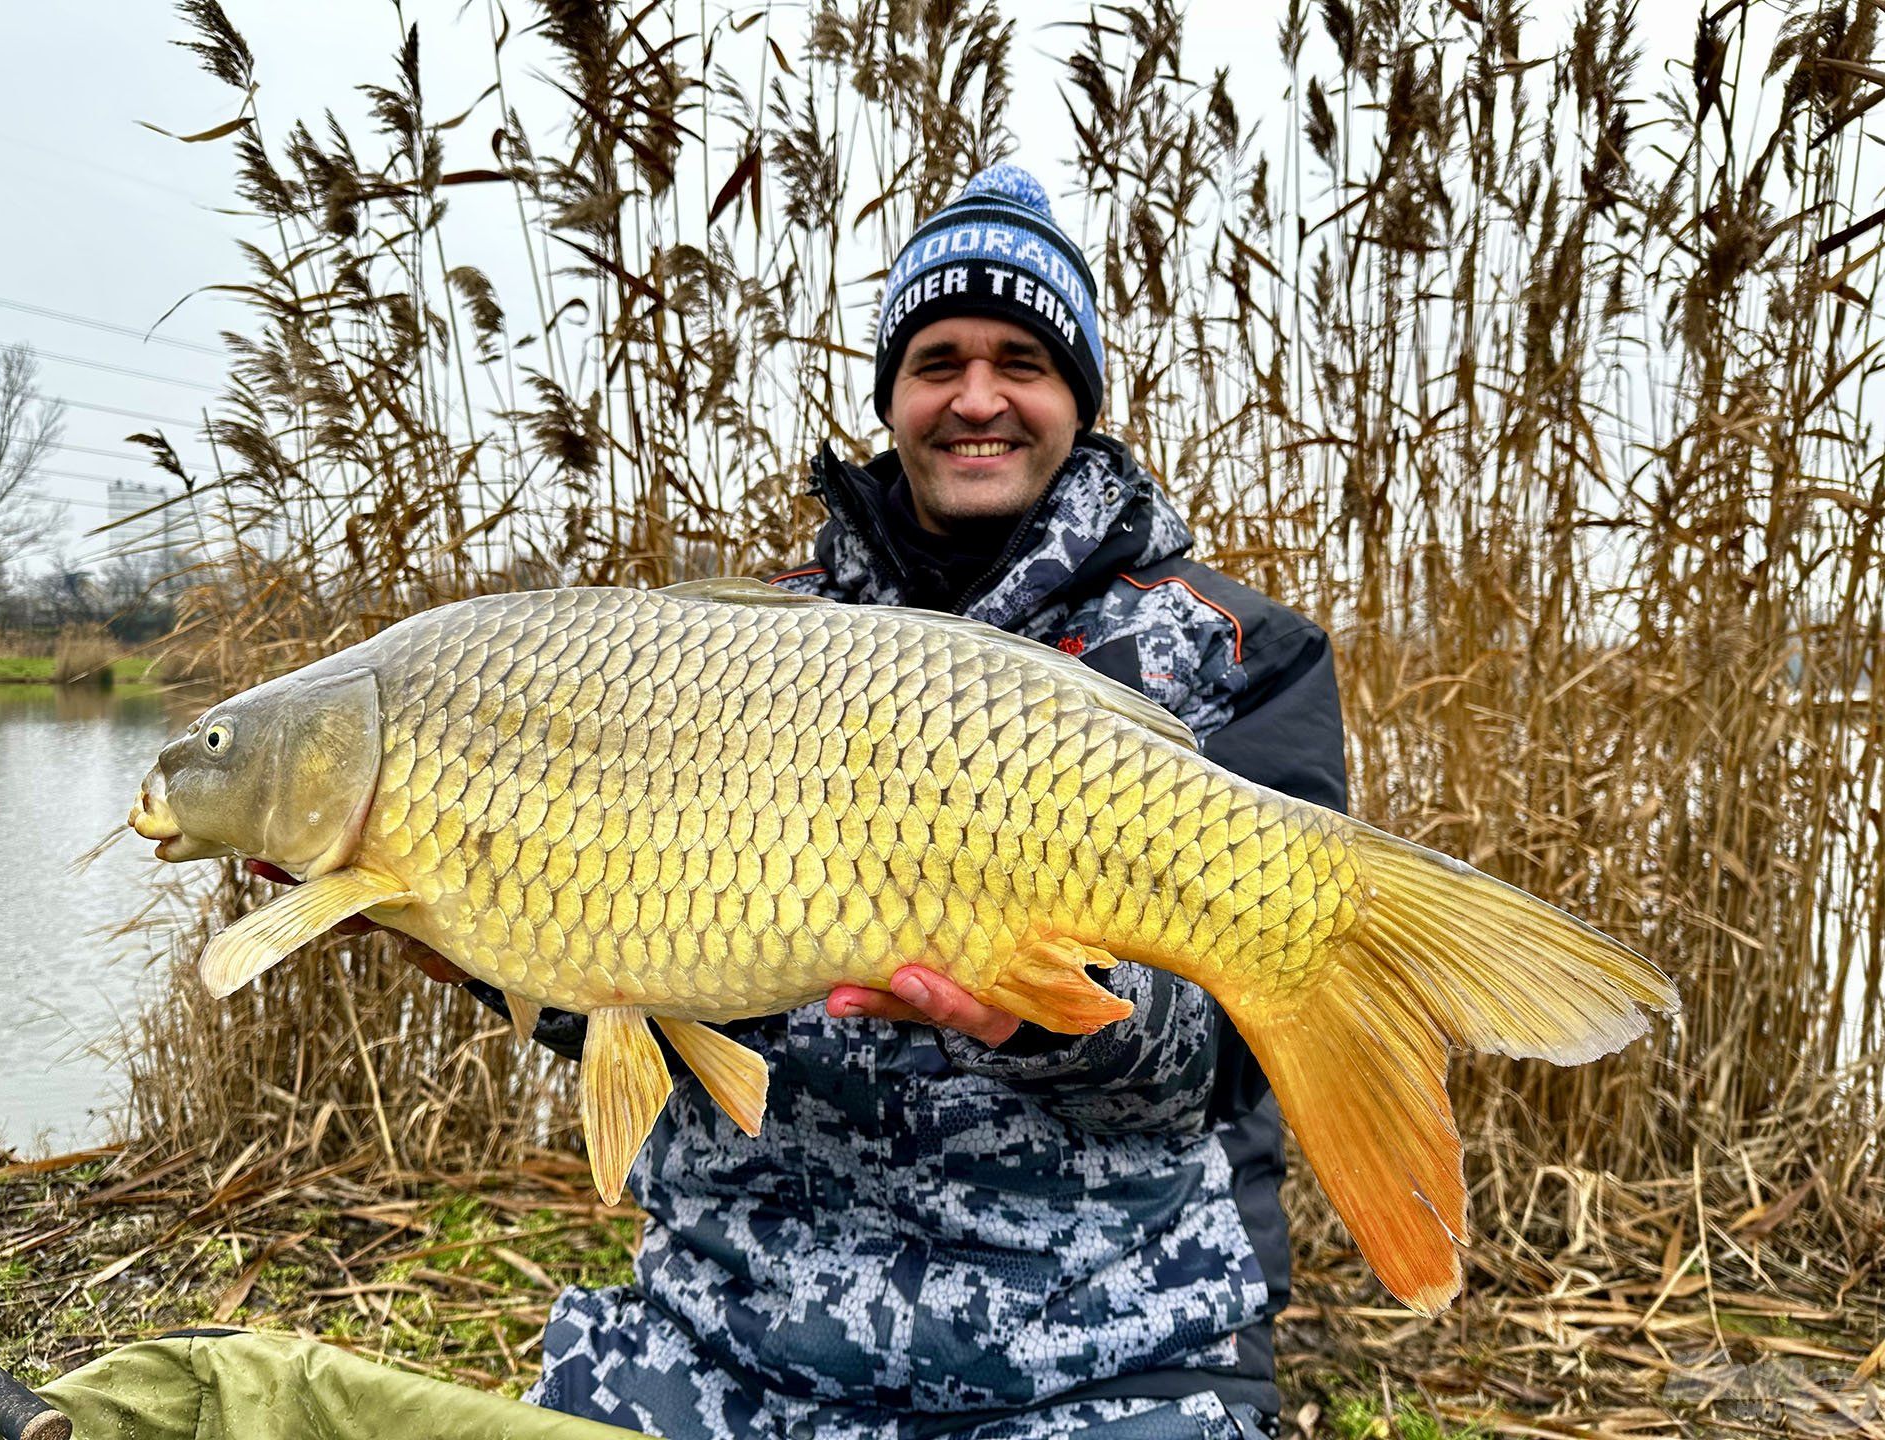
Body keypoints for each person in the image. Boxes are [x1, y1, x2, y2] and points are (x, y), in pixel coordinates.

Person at [466, 164, 1347, 1440]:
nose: (976, 397)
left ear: (1079, 400)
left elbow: (1227, 1069)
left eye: (1022, 361)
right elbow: (634, 1000)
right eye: (937, 359)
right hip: (738, 1332)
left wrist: (1058, 1016)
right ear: (891, 394)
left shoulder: (1232, 653)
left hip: (1100, 1352)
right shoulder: (716, 649)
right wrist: (487, 940)